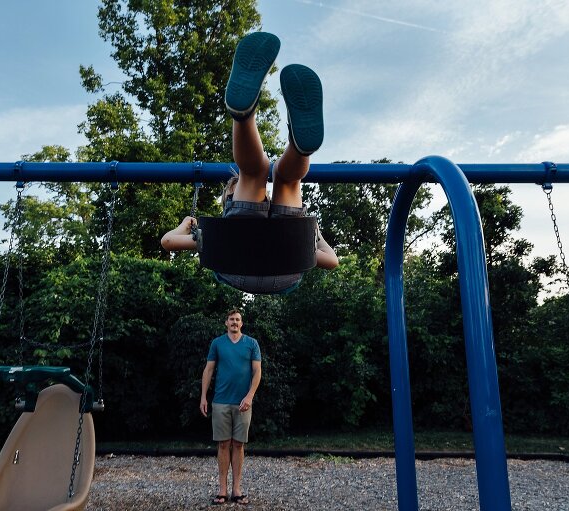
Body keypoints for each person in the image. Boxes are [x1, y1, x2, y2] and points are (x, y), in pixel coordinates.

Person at [161, 31, 339, 294]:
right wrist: (314, 236)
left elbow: (167, 242)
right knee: (263, 173)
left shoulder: (214, 240)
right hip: (284, 260)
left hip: (248, 267)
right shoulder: (218, 237)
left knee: (277, 177)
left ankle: (283, 140)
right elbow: (333, 261)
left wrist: (187, 224)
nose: (266, 197)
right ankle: (257, 124)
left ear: (228, 200)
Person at [200, 308, 261, 506]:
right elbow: (208, 369)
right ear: (226, 323)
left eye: (238, 319)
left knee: (238, 444)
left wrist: (250, 396)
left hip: (243, 402)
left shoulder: (251, 343)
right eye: (231, 319)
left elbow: (257, 372)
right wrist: (203, 396)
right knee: (223, 444)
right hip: (220, 401)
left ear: (242, 323)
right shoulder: (217, 343)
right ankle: (222, 490)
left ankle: (237, 489)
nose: (234, 322)